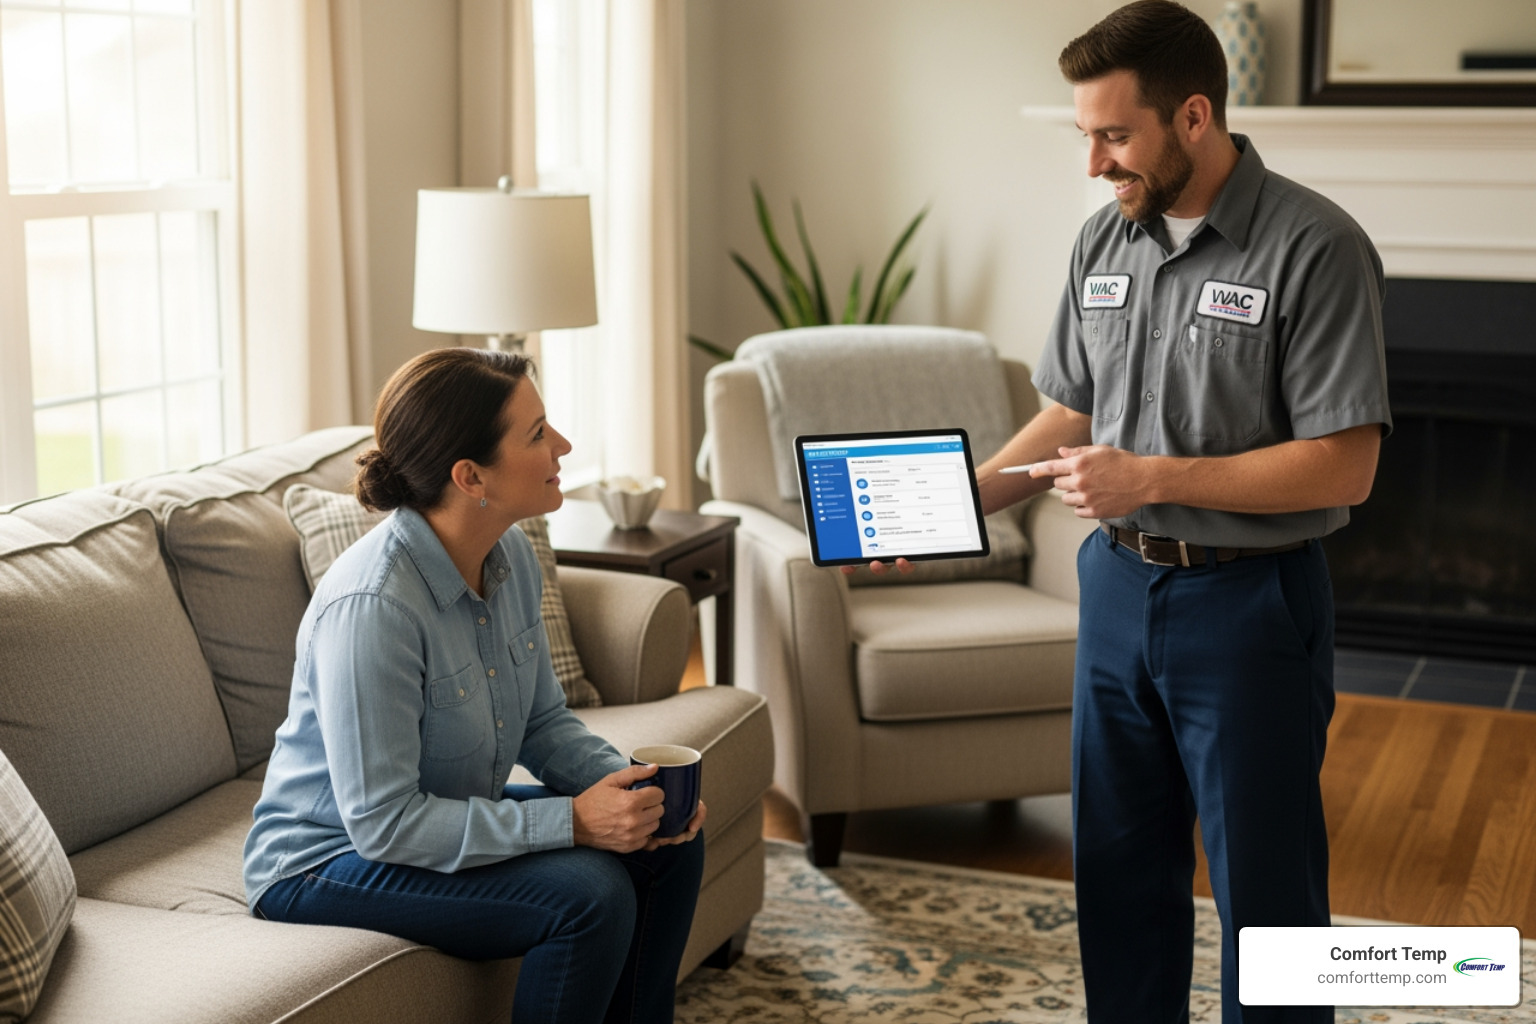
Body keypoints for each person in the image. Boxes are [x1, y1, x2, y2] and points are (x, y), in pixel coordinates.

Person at [852, 3, 1390, 1020]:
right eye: (1084, 135)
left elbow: (1344, 466)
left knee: (1269, 901)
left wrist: (1150, 478)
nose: (1094, 163)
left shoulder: (1317, 246)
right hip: (1113, 592)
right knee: (1116, 870)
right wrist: (954, 508)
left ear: (1194, 116)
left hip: (1249, 606)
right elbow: (1072, 409)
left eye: (1114, 135)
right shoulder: (1105, 236)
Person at [243, 347, 707, 1024]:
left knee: (665, 846)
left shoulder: (508, 553)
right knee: (590, 894)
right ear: (470, 476)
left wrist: (636, 794)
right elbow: (383, 823)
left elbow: (542, 725)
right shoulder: (375, 608)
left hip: (429, 813)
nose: (564, 446)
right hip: (324, 858)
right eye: (538, 434)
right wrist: (572, 823)